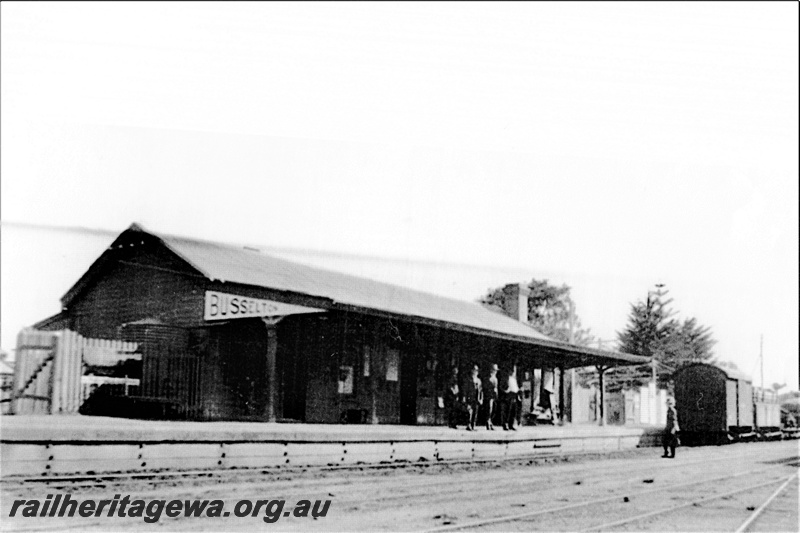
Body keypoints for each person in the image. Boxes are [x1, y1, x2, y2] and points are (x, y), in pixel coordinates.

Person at [463, 365, 483, 431]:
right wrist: (464, 397)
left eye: (476, 371)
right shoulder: (468, 379)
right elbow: (465, 389)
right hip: (470, 397)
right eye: (474, 370)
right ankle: (468, 425)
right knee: (469, 411)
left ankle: (473, 425)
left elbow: (481, 390)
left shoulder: (479, 380)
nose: (475, 372)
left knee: (475, 412)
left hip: (476, 398)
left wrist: (481, 399)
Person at [501, 364, 520, 430]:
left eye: (513, 371)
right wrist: (505, 391)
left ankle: (511, 424)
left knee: (513, 411)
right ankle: (505, 424)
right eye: (511, 371)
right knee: (507, 411)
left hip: (514, 395)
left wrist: (518, 392)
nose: (512, 373)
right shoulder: (506, 379)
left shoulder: (514, 380)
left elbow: (516, 387)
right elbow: (501, 387)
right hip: (508, 396)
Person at [483, 364, 499, 430]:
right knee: (489, 409)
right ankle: (488, 422)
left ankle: (490, 422)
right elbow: (485, 387)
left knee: (494, 410)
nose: (495, 372)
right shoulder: (487, 378)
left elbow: (496, 387)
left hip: (494, 396)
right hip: (489, 396)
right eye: (494, 370)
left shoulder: (495, 378)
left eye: (496, 370)